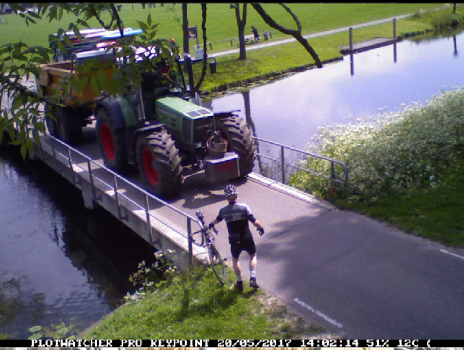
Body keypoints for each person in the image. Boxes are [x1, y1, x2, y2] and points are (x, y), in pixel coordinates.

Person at [209, 184, 265, 291]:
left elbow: (216, 220)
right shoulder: (244, 207)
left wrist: (211, 225)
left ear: (226, 197)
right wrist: (261, 227)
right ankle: (252, 278)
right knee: (253, 255)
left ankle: (239, 282)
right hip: (246, 236)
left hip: (234, 239)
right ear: (236, 195)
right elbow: (255, 222)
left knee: (235, 260)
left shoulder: (223, 211)